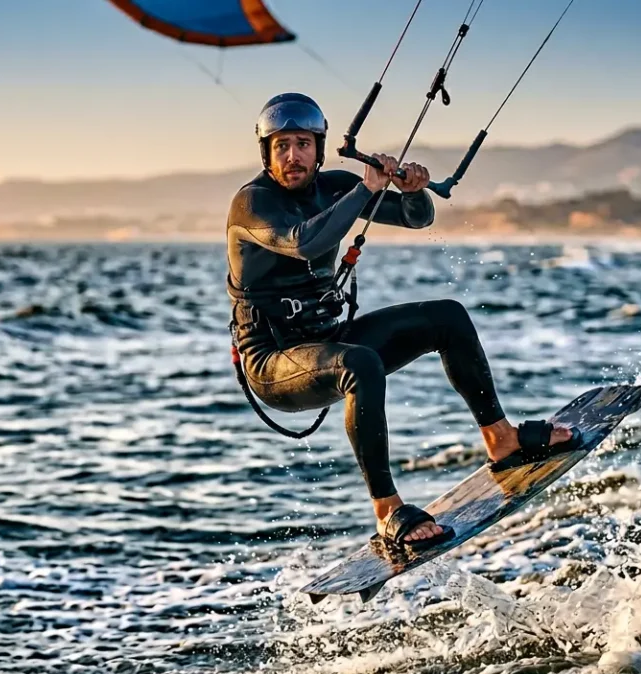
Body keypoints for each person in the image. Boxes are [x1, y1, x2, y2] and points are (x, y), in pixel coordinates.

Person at [226, 93, 580, 549]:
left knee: (446, 317)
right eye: (281, 146)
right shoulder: (252, 203)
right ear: (266, 152)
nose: (293, 156)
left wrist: (411, 193)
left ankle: (502, 438)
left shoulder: (332, 186)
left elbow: (416, 219)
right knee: (360, 365)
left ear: (318, 148)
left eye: (303, 144)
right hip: (274, 363)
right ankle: (387, 510)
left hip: (328, 338)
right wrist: (367, 188)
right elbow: (305, 243)